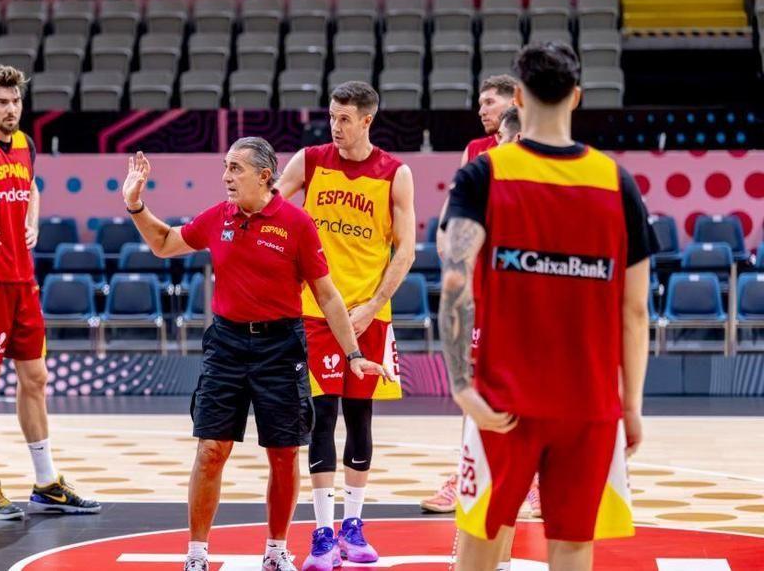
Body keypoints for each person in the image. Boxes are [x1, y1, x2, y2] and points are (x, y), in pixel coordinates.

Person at [121, 138, 394, 571]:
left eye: (235, 169)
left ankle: (275, 550)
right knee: (211, 449)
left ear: (265, 176)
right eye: (225, 168)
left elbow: (327, 295)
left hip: (281, 348)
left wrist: (353, 353)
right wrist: (136, 206)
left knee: (284, 453)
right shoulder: (219, 217)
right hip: (226, 345)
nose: (226, 177)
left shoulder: (297, 223)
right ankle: (196, 555)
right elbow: (166, 243)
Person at [438, 43, 653, 571]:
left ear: (518, 96)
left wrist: (461, 385)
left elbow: (454, 280)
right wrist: (630, 407)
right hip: (589, 402)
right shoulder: (616, 181)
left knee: (482, 543)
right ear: (576, 96)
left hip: (502, 400)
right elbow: (635, 310)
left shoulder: (483, 173)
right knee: (574, 546)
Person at [0, 65, 100, 520]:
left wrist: (33, 219)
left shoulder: (26, 144)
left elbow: (30, 186)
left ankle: (46, 483)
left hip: (22, 280)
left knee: (36, 379)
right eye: (2, 102)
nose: (11, 109)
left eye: (16, 102)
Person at [274, 82, 415, 571]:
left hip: (368, 315)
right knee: (320, 417)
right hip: (314, 315)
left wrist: (375, 304)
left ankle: (353, 526)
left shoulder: (395, 173)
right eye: (332, 116)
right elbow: (269, 204)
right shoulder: (310, 161)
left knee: (360, 418)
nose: (335, 126)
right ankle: (320, 533)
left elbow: (407, 252)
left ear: (367, 120)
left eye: (345, 118)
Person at [422, 75, 528, 520]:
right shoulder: (476, 152)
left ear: (514, 103)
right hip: (484, 285)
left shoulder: (544, 150)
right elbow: (454, 216)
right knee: (475, 382)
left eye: (490, 102)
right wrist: (450, 243)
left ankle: (533, 482)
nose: (482, 109)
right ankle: (464, 475)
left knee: (529, 386)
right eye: (480, 102)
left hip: (528, 284)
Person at [461, 75, 519, 165]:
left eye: (489, 102)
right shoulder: (473, 149)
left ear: (514, 103)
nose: (481, 112)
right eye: (481, 105)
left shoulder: (537, 146)